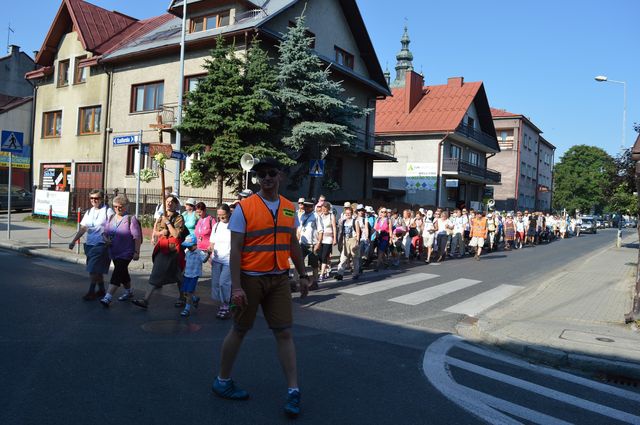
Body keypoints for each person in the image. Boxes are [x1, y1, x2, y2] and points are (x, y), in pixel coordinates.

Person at [211, 158, 309, 418]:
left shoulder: (289, 208)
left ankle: (293, 391)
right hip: (250, 279)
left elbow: (293, 244)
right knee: (240, 329)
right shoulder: (245, 208)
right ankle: (222, 381)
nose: (266, 178)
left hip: (278, 278)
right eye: (262, 174)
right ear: (257, 179)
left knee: (284, 333)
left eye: (271, 173)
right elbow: (236, 251)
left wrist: (303, 274)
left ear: (280, 176)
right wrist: (236, 288)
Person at [132, 195, 187, 309]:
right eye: (167, 201)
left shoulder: (179, 218)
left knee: (179, 276)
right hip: (163, 249)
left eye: (172, 202)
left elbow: (176, 234)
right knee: (156, 273)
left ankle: (182, 298)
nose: (169, 203)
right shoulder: (161, 217)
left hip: (174, 251)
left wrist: (167, 223)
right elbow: (156, 232)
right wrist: (162, 233)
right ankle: (146, 300)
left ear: (176, 204)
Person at [68, 189, 114, 301]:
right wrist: (73, 241)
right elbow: (83, 228)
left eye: (96, 198)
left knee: (92, 269)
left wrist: (110, 240)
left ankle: (91, 291)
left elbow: (114, 227)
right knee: (96, 270)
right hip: (89, 245)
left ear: (102, 199)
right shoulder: (89, 212)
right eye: (92, 198)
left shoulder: (108, 211)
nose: (94, 200)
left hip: (101, 245)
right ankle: (102, 290)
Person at [99, 195, 142, 307]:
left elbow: (136, 237)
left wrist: (137, 252)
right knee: (123, 272)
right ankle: (128, 292)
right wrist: (106, 239)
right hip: (113, 251)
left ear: (126, 206)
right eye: (115, 206)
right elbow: (104, 233)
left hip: (126, 252)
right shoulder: (111, 217)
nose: (117, 209)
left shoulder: (130, 219)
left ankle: (108, 297)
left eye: (120, 207)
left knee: (118, 272)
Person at [211, 204, 232, 319]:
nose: (220, 217)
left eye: (223, 215)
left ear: (228, 213)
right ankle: (223, 303)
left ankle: (225, 305)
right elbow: (212, 242)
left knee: (224, 283)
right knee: (216, 284)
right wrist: (210, 251)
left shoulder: (233, 225)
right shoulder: (217, 225)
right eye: (219, 215)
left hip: (229, 259)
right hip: (217, 259)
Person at [180, 234, 209, 317]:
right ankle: (195, 298)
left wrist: (208, 254)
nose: (188, 248)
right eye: (187, 246)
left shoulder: (199, 252)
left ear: (195, 245)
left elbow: (204, 260)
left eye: (190, 246)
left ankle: (187, 309)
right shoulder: (187, 252)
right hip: (187, 274)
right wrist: (183, 270)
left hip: (194, 275)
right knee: (185, 292)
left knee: (189, 292)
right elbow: (186, 262)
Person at [297, 199, 321, 290]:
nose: (306, 208)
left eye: (308, 206)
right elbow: (299, 229)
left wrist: (318, 243)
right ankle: (302, 279)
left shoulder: (316, 216)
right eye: (305, 206)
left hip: (313, 243)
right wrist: (297, 239)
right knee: (299, 261)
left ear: (312, 207)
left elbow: (320, 230)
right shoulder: (302, 216)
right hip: (302, 243)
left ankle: (315, 281)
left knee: (314, 264)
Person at [335, 206, 361, 280]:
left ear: (352, 213)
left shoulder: (355, 221)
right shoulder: (343, 222)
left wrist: (357, 242)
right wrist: (341, 242)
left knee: (355, 258)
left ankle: (356, 273)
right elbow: (341, 232)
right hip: (345, 240)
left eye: (349, 213)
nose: (347, 214)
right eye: (346, 213)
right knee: (343, 258)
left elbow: (358, 233)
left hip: (353, 239)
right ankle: (340, 273)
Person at [318, 201, 337, 282]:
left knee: (324, 256)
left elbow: (334, 228)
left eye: (325, 209)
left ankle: (321, 274)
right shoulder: (320, 216)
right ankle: (327, 269)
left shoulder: (331, 216)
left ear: (328, 209)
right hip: (320, 238)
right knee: (319, 256)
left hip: (328, 238)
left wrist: (335, 238)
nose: (324, 210)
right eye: (323, 208)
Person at [373, 207, 392, 271]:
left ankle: (377, 266)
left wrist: (391, 239)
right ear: (379, 212)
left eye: (385, 212)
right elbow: (375, 228)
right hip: (378, 237)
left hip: (385, 237)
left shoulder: (388, 220)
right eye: (382, 212)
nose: (383, 213)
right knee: (381, 252)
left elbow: (390, 230)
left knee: (380, 251)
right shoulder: (378, 219)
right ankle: (386, 263)